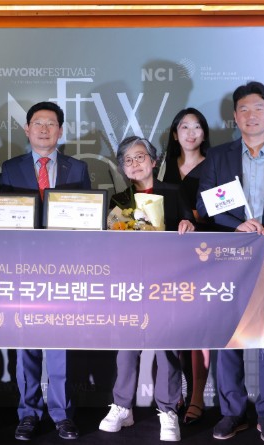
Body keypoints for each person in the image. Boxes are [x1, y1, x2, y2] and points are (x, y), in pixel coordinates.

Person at [196, 81, 264, 444]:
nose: (251, 115)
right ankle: (232, 411)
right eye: (244, 109)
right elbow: (205, 204)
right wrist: (236, 225)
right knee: (230, 338)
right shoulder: (220, 157)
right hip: (230, 258)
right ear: (234, 116)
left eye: (258, 108)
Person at [0, 101, 91, 441]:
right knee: (25, 342)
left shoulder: (77, 168)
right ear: (27, 129)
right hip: (22, 267)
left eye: (50, 123)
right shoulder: (10, 168)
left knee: (59, 343)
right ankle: (28, 413)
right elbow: (4, 218)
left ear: (60, 130)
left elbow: (87, 220)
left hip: (63, 268)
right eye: (37, 123)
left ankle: (62, 414)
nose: (43, 129)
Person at [99, 136, 194, 442]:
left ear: (154, 161)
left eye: (140, 157)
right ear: (123, 169)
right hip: (131, 284)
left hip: (168, 283)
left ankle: (167, 409)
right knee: (127, 347)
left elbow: (190, 228)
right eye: (128, 160)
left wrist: (188, 225)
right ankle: (122, 406)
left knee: (167, 349)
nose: (135, 164)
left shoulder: (174, 192)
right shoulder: (118, 201)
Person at [160, 108, 211, 425]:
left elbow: (223, 210)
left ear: (204, 133)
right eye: (184, 127)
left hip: (204, 254)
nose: (190, 133)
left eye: (197, 127)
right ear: (174, 133)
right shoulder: (163, 167)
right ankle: (174, 392)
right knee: (174, 328)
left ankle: (197, 396)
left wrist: (188, 215)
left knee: (200, 330)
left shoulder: (216, 164)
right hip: (170, 256)